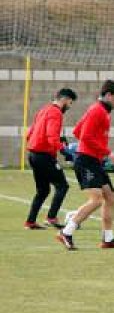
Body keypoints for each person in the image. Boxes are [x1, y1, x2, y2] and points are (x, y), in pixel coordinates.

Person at [55, 80, 114, 251]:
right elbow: (85, 136)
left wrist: (98, 150)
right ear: (109, 95)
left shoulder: (100, 110)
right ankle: (66, 232)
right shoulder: (98, 111)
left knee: (111, 198)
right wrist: (107, 152)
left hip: (93, 160)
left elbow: (77, 131)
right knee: (96, 200)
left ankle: (108, 239)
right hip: (86, 160)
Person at [23, 88, 76, 230]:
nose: (69, 107)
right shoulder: (56, 112)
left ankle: (30, 222)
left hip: (33, 155)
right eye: (70, 103)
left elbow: (30, 133)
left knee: (43, 191)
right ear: (64, 99)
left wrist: (58, 140)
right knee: (62, 186)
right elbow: (51, 136)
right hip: (44, 156)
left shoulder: (44, 110)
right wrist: (65, 151)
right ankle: (51, 218)